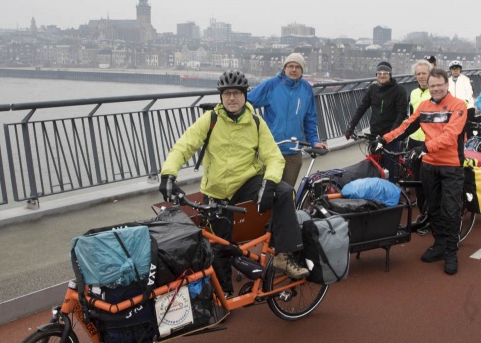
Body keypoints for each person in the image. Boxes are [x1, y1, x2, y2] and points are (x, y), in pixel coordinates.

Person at [160, 70, 309, 294]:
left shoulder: (256, 123)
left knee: (285, 192)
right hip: (217, 188)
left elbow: (274, 158)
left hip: (246, 181)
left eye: (237, 93)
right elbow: (183, 147)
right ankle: (225, 293)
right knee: (219, 244)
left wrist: (269, 183)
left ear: (245, 96)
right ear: (221, 97)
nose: (232, 98)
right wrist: (168, 175)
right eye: (227, 93)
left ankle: (283, 255)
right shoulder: (209, 120)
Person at [382, 68, 468, 275]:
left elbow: (450, 136)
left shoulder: (458, 106)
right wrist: (383, 139)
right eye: (432, 85)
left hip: (451, 166)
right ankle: (439, 244)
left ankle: (451, 252)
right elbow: (406, 126)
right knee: (433, 208)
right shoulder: (424, 106)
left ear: (446, 85)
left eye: (439, 85)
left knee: (450, 210)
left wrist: (423, 148)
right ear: (428, 87)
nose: (436, 89)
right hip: (429, 165)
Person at [247, 52, 327, 187]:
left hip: (293, 152)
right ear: (284, 68)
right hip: (271, 150)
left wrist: (314, 140)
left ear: (302, 70)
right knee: (267, 192)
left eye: (297, 67)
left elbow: (310, 118)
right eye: (290, 66)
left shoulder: (306, 89)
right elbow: (247, 102)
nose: (294, 70)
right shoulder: (271, 85)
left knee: (287, 192)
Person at [345, 61, 409, 180]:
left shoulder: (399, 90)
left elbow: (401, 114)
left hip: (391, 135)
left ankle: (391, 189)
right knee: (374, 165)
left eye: (385, 73)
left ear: (390, 75)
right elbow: (361, 108)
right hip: (375, 133)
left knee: (390, 168)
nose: (382, 75)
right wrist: (351, 127)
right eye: (379, 73)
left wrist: (391, 134)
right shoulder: (372, 89)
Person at [406, 59, 433, 148]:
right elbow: (410, 115)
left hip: (429, 139)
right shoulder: (413, 93)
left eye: (424, 73)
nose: (421, 76)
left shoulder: (437, 93)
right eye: (418, 74)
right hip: (413, 138)